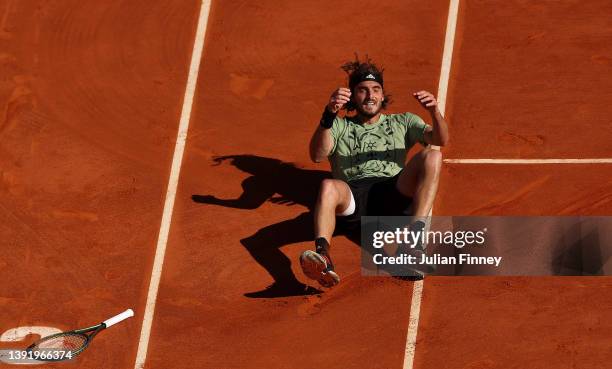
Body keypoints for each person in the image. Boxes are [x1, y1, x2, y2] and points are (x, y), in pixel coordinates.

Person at [300, 56, 449, 288]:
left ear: (382, 94)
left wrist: (434, 112)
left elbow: (440, 139)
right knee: (328, 186)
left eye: (376, 89)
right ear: (352, 95)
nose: (370, 96)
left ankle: (412, 239)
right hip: (354, 197)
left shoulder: (403, 122)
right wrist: (329, 114)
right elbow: (317, 155)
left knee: (434, 154)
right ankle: (324, 256)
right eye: (362, 90)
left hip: (392, 191)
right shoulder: (340, 125)